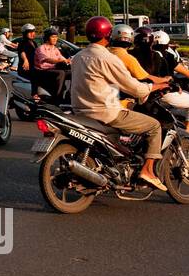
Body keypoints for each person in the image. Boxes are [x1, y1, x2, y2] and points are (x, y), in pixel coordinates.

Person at [69, 17, 170, 191]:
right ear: (109, 35)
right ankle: (147, 171)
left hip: (80, 111)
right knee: (154, 126)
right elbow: (136, 89)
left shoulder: (78, 56)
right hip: (106, 112)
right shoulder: (107, 58)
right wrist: (157, 86)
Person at [32, 27, 70, 100]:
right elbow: (47, 59)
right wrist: (60, 61)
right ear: (47, 38)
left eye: (56, 37)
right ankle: (57, 98)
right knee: (61, 73)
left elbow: (61, 58)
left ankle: (69, 95)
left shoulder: (55, 49)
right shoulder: (41, 48)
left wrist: (69, 61)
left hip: (52, 70)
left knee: (72, 72)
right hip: (42, 72)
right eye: (53, 37)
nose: (55, 39)